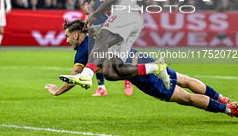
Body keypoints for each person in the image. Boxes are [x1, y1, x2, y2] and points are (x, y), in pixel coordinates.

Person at [45, 20, 238, 120]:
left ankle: (230, 109)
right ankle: (222, 98)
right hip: (141, 57)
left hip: (140, 74)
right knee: (184, 79)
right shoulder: (98, 34)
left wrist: (57, 91)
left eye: (67, 36)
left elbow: (73, 77)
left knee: (185, 98)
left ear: (77, 35)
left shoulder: (83, 49)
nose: (67, 39)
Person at [60, 0, 170, 89]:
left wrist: (94, 15)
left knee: (101, 40)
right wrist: (100, 27)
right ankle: (155, 67)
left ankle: (86, 75)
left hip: (127, 13)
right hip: (129, 18)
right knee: (111, 71)